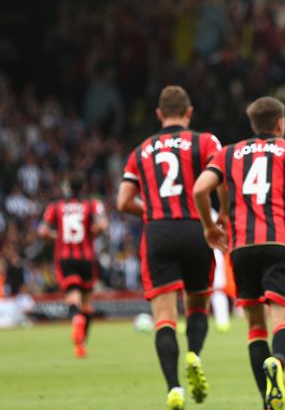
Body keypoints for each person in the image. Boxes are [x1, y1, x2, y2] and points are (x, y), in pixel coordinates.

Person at [193, 96, 285, 410]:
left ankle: (267, 399)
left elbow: (199, 189)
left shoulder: (227, 154)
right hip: (280, 243)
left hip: (241, 247)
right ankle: (277, 362)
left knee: (254, 324)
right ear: (280, 123)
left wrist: (210, 226)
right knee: (283, 319)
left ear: (253, 124)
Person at [117, 85, 222, 410]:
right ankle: (194, 354)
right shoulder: (205, 141)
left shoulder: (141, 150)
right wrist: (223, 218)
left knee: (163, 317)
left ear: (159, 114)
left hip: (158, 231)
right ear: (189, 112)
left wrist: (150, 210)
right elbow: (223, 178)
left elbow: (122, 201)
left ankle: (174, 388)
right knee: (198, 304)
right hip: (194, 227)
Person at [38, 173, 108, 358]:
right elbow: (102, 225)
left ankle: (75, 318)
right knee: (87, 304)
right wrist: (89, 235)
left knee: (73, 297)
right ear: (83, 188)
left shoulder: (55, 207)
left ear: (67, 188)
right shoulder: (92, 205)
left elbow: (42, 231)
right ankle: (81, 345)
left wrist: (58, 237)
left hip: (65, 257)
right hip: (87, 257)